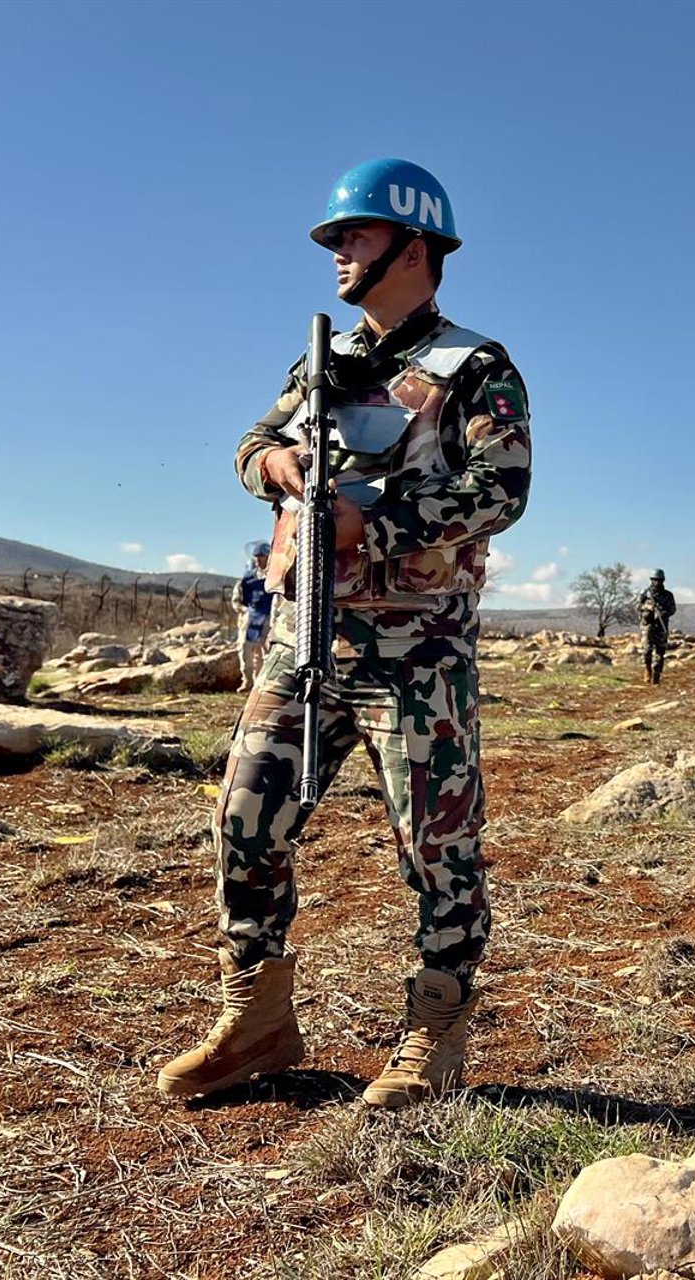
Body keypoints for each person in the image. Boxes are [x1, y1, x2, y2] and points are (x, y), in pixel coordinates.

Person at [158, 157, 531, 1108]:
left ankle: (436, 1030)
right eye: (335, 237)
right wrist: (274, 466)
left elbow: (502, 488)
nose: (337, 252)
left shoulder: (475, 367)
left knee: (438, 847)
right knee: (245, 822)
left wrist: (377, 521)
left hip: (418, 648)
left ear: (414, 246)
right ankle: (256, 1019)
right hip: (305, 635)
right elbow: (251, 443)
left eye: (354, 235)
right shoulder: (322, 365)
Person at [235, 541, 273, 693]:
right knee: (245, 649)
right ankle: (247, 680)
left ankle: (261, 683)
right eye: (256, 556)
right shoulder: (248, 578)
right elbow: (241, 599)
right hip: (251, 618)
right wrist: (246, 611)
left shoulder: (274, 576)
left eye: (262, 556)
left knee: (265, 652)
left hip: (269, 619)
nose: (259, 559)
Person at [637, 570, 676, 684]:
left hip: (661, 626)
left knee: (660, 652)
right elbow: (637, 606)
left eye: (659, 580)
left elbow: (673, 609)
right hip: (647, 626)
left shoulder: (668, 595)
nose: (657, 582)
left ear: (663, 581)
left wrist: (664, 613)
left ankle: (656, 675)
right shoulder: (645, 593)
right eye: (654, 580)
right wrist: (647, 609)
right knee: (646, 651)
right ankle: (647, 669)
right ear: (651, 580)